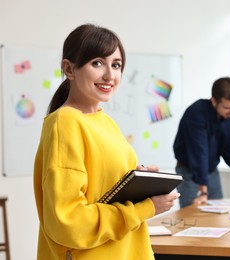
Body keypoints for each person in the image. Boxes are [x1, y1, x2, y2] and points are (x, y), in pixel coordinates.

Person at [33, 24, 179, 260]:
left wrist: (137, 180)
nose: (110, 75)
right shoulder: (65, 122)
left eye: (116, 64)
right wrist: (146, 208)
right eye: (97, 63)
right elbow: (67, 222)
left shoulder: (106, 122)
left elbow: (102, 189)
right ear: (69, 69)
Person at [173, 77, 230, 208]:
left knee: (218, 214)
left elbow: (229, 153)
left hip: (212, 172)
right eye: (227, 107)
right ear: (214, 101)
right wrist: (203, 191)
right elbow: (199, 153)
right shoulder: (196, 113)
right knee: (190, 215)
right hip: (188, 172)